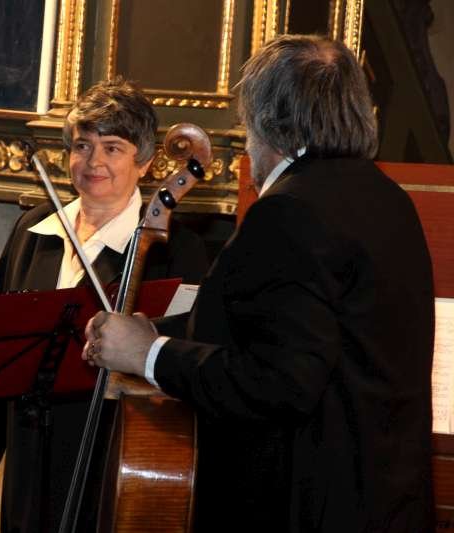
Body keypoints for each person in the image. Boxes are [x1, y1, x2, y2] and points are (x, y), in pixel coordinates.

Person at [83, 35, 435, 532]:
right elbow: (281, 323)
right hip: (383, 505)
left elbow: (278, 381)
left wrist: (148, 354)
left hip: (304, 509)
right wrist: (157, 330)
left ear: (265, 120)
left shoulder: (288, 211)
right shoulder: (388, 200)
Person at [0, 78, 209, 532]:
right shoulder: (34, 231)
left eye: (112, 148)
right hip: (29, 447)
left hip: (114, 450)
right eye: (82, 145)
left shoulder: (176, 251)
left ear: (145, 162)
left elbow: (183, 363)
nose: (94, 162)